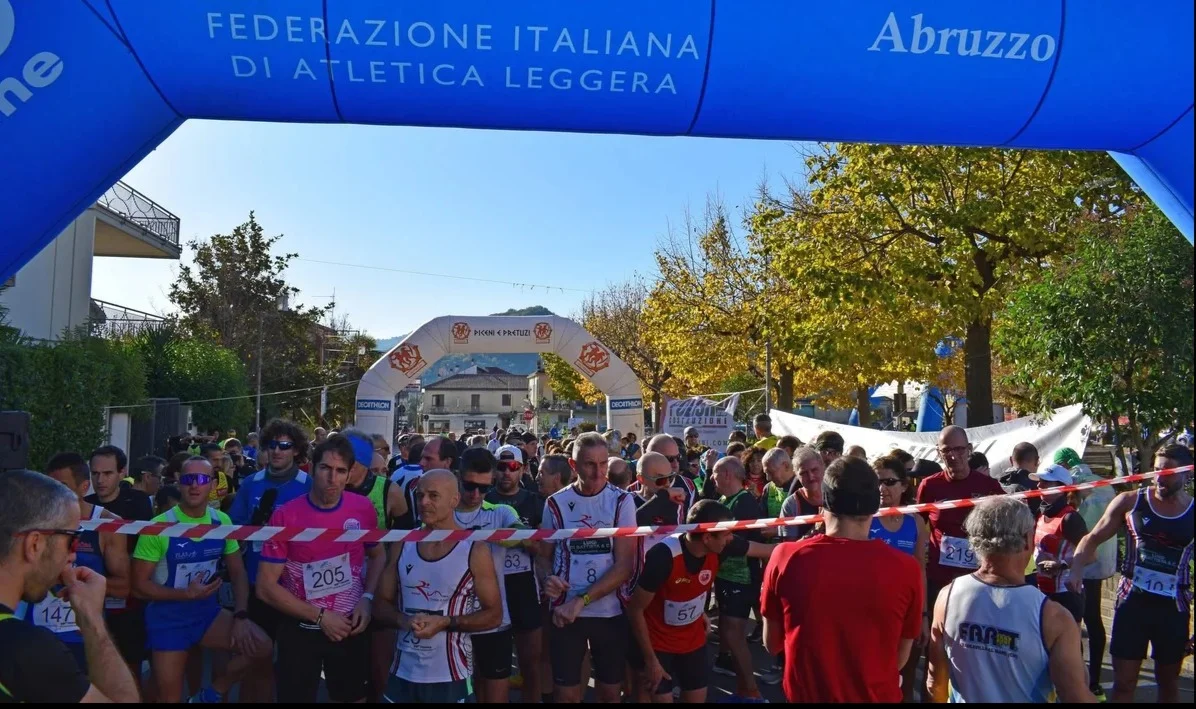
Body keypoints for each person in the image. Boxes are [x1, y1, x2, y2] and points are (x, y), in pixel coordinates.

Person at [762, 456, 923, 703]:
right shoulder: (907, 569)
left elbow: (772, 644)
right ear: (873, 505)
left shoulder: (785, 557)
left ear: (825, 501)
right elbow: (900, 657)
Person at [926, 496, 1095, 703]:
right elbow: (1075, 696)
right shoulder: (1054, 617)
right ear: (1026, 540)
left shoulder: (947, 597)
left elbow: (935, 682)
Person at [255, 434, 384, 704]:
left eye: (340, 471)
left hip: (349, 626)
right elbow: (266, 588)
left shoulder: (362, 509)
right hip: (300, 628)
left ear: (349, 475)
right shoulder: (285, 515)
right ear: (312, 469)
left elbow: (377, 554)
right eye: (325, 468)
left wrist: (368, 598)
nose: (332, 478)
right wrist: (321, 616)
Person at [131, 456, 271, 703]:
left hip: (206, 614)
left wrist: (240, 615)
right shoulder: (159, 526)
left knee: (261, 647)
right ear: (179, 483)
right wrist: (184, 594)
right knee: (168, 698)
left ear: (211, 484)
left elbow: (238, 572)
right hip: (168, 619)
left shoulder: (221, 522)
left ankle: (212, 693)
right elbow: (139, 586)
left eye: (201, 480)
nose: (194, 486)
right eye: (188, 479)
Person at [1066, 444, 1193, 703]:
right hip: (1132, 604)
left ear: (1186, 474)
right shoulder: (1131, 502)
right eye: (1156, 470)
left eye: (1167, 472)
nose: (1159, 477)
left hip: (1172, 608)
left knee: (1168, 682)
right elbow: (1092, 538)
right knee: (1124, 684)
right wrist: (1076, 568)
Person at [0, 470, 141, 703]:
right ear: (34, 544)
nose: (73, 555)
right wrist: (92, 620)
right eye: (72, 539)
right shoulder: (26, 650)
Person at [628, 499, 777, 704]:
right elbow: (635, 609)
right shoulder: (663, 556)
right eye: (726, 534)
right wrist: (650, 659)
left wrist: (808, 544)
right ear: (707, 537)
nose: (730, 538)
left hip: (693, 642)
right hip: (658, 645)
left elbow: (768, 550)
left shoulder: (722, 545)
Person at [375, 469, 504, 702]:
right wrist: (404, 620)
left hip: (450, 677)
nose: (424, 502)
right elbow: (380, 606)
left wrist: (446, 622)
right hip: (402, 674)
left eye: (433, 496)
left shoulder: (474, 549)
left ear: (454, 500)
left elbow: (494, 615)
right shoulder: (403, 543)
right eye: (420, 495)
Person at [539, 432, 637, 703]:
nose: (598, 472)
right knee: (566, 694)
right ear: (573, 466)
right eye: (589, 464)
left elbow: (624, 565)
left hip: (608, 611)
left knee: (609, 692)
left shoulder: (621, 501)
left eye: (603, 464)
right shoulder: (555, 503)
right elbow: (543, 556)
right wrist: (547, 578)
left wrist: (582, 601)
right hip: (565, 611)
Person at [227, 419, 312, 703]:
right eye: (272, 445)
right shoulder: (251, 484)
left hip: (295, 589)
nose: (277, 451)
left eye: (285, 446)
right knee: (256, 662)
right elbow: (234, 533)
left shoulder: (308, 485)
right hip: (256, 584)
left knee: (293, 668)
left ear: (296, 450)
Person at [30, 454, 132, 671]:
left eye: (62, 486)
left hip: (81, 634)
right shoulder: (35, 520)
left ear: (84, 487)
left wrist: (74, 581)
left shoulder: (107, 524)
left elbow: (123, 587)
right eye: (50, 486)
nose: (53, 494)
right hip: (37, 632)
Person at [451, 447, 533, 703]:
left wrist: (517, 536)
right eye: (469, 486)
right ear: (458, 477)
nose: (476, 494)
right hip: (452, 621)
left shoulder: (499, 513)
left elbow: (521, 533)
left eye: (484, 488)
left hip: (494, 620)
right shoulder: (443, 513)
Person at [916, 426, 1004, 629]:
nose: (953, 456)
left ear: (969, 449)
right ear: (939, 453)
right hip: (940, 577)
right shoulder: (929, 486)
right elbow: (918, 528)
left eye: (959, 450)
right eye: (947, 451)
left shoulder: (987, 485)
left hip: (977, 577)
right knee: (939, 637)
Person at [83, 445, 153, 676]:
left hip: (128, 598)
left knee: (130, 665)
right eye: (95, 474)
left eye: (107, 473)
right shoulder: (86, 505)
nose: (100, 480)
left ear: (122, 473)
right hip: (90, 597)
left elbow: (143, 550)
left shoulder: (138, 502)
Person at [709, 456, 773, 697]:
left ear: (727, 474)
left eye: (715, 473)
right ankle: (727, 665)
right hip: (726, 577)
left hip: (741, 577)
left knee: (734, 634)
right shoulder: (726, 499)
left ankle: (751, 691)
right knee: (726, 629)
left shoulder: (744, 503)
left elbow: (746, 543)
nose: (712, 477)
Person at [486, 445, 546, 702]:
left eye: (512, 468)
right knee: (487, 667)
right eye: (501, 467)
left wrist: (523, 539)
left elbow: (544, 549)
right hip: (490, 588)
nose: (506, 473)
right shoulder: (484, 499)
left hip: (524, 587)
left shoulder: (534, 501)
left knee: (530, 665)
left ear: (522, 469)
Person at [1057, 446, 1117, 699]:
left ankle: (1080, 679)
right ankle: (1094, 678)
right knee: (1094, 619)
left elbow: (1075, 522)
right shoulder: (1106, 484)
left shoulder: (1075, 486)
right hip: (1103, 559)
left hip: (1080, 559)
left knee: (1075, 621)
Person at [869, 455, 930, 701]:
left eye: (889, 482)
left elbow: (920, 571)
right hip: (872, 614)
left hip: (905, 613)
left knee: (902, 682)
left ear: (904, 486)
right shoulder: (865, 519)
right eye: (877, 482)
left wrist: (924, 616)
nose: (882, 488)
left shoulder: (914, 521)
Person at [1028, 463, 1088, 622]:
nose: (1039, 485)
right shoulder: (1041, 514)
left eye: (1046, 482)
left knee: (1069, 645)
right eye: (1040, 480)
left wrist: (1061, 564)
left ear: (1062, 488)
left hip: (1066, 594)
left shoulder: (1070, 518)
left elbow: (1091, 555)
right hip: (1042, 592)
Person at [779, 447, 826, 540]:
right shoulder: (791, 505)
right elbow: (789, 547)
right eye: (803, 473)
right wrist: (815, 530)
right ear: (796, 475)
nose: (810, 477)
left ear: (823, 467)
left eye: (814, 470)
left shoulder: (838, 496)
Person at [199, 442, 232, 508]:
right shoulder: (194, 481)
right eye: (215, 460)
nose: (219, 464)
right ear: (203, 459)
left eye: (221, 460)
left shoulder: (226, 478)